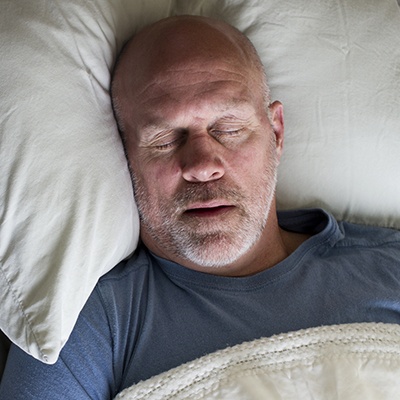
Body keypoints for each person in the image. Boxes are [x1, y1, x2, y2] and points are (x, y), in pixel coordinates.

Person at [1, 15, 400, 399]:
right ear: (125, 156)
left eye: (227, 129)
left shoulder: (390, 267)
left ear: (276, 133)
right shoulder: (89, 323)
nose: (202, 166)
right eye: (165, 140)